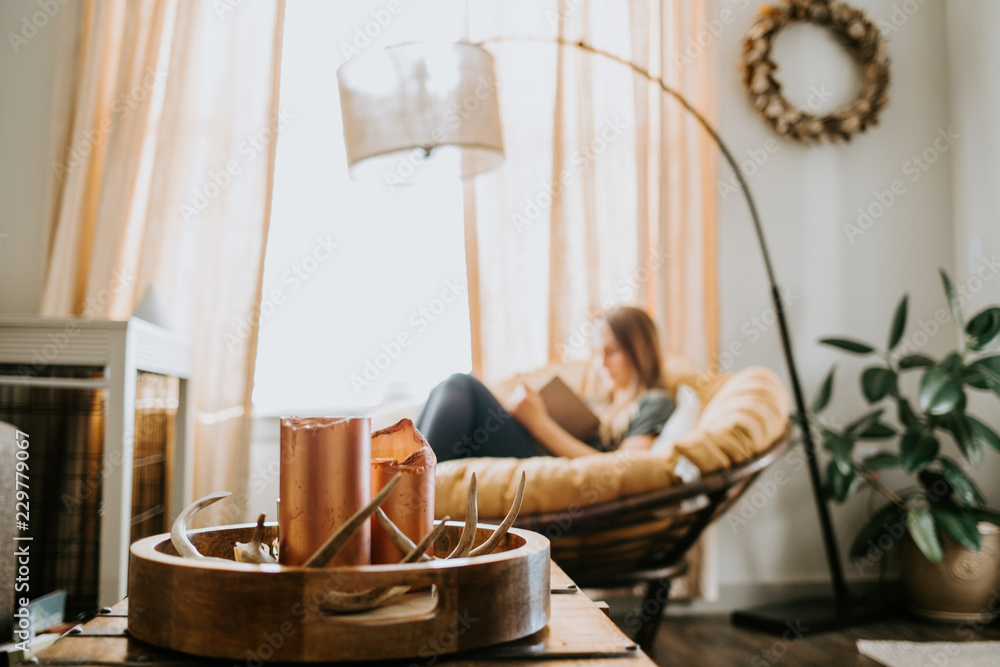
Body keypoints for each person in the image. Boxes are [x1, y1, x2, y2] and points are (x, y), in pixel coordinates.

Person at [416, 306, 675, 462]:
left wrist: (539, 423)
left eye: (612, 351)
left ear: (640, 351)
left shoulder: (654, 402)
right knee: (448, 388)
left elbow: (627, 468)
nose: (601, 363)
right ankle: (399, 476)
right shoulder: (597, 403)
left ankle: (404, 485)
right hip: (536, 448)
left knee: (463, 386)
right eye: (596, 353)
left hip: (546, 460)